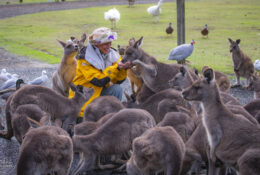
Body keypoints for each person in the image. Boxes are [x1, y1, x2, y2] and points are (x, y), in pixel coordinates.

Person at [68, 27, 131, 122]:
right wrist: (117, 68)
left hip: (98, 93)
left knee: (116, 89)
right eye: (105, 43)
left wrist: (123, 69)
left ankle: (109, 119)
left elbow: (117, 80)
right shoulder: (85, 58)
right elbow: (98, 80)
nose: (108, 46)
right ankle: (83, 117)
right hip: (84, 98)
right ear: (97, 44)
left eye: (110, 42)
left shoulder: (112, 54)